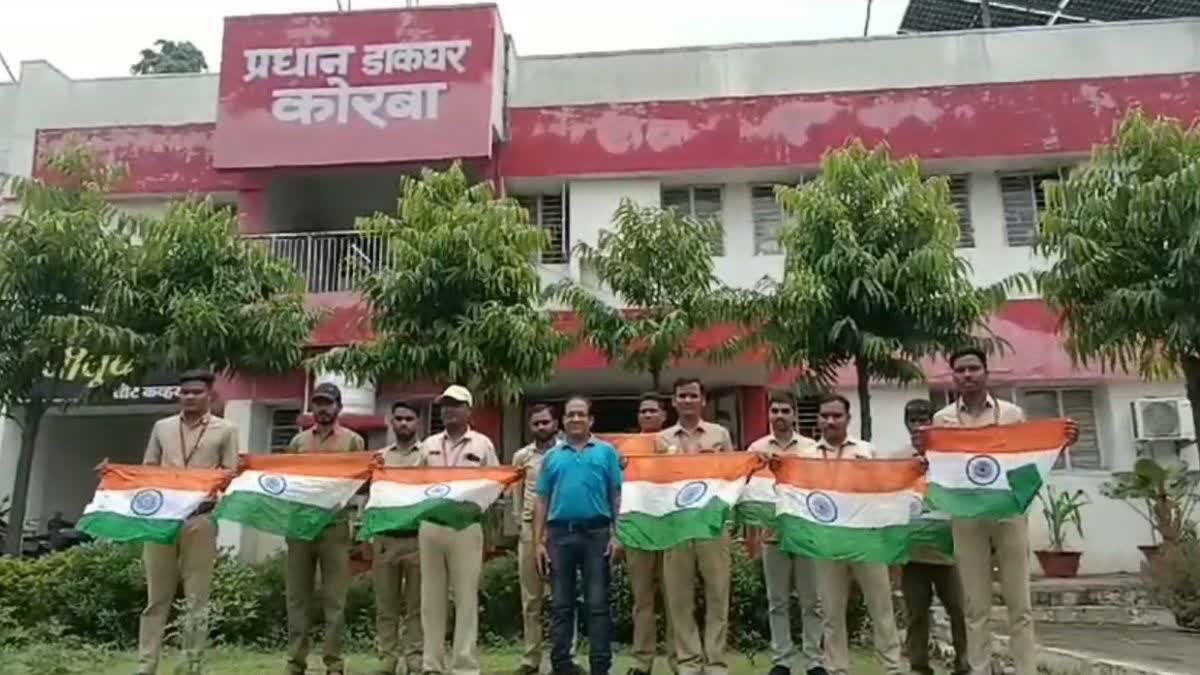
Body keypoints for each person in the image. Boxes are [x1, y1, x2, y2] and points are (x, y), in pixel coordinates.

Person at [921, 347, 1078, 675]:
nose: (967, 375)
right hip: (967, 517)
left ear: (986, 372)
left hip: (1007, 515)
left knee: (1019, 605)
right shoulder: (943, 420)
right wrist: (924, 449)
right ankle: (980, 669)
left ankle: (1025, 670)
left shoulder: (1011, 414)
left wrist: (1060, 442)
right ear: (953, 376)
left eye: (973, 369)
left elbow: (1026, 460)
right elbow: (939, 469)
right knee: (975, 606)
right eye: (960, 370)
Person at [138, 370, 240, 675]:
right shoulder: (162, 427)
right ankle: (146, 665)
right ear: (178, 395)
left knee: (197, 597)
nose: (190, 397)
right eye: (184, 392)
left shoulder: (226, 430)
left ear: (210, 395)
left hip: (200, 518)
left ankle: (191, 665)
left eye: (196, 392)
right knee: (156, 597)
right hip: (162, 518)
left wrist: (202, 486)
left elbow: (230, 472)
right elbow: (148, 468)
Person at [803, 394, 904, 675]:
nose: (830, 421)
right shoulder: (807, 457)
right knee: (832, 614)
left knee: (881, 609)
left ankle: (892, 668)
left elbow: (884, 491)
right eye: (824, 416)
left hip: (866, 540)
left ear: (848, 419)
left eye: (836, 415)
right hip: (827, 543)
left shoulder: (866, 451)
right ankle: (837, 669)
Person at [534, 396, 623, 675]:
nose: (575, 419)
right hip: (560, 535)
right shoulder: (552, 457)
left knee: (597, 604)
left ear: (591, 420)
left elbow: (616, 495)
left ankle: (600, 666)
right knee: (561, 605)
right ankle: (561, 665)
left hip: (597, 534)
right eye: (570, 415)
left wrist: (618, 535)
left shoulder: (607, 453)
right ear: (563, 421)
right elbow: (541, 499)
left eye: (580, 414)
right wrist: (538, 541)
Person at [284, 382, 366, 675]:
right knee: (297, 597)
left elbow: (361, 482)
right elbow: (287, 482)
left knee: (335, 599)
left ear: (338, 407)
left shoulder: (353, 441)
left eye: (328, 403)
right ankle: (295, 662)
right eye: (317, 403)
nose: (322, 408)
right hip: (301, 526)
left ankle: (334, 663)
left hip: (335, 526)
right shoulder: (298, 443)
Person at [418, 385, 500, 675]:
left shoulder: (482, 445)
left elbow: (495, 485)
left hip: (466, 526)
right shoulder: (427, 445)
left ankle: (464, 665)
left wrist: (479, 513)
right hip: (431, 525)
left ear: (469, 410)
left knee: (466, 598)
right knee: (431, 599)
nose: (448, 411)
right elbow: (414, 484)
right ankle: (431, 664)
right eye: (444, 406)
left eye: (455, 405)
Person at [658, 378, 734, 675]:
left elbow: (731, 474)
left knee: (718, 595)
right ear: (674, 402)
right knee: (679, 598)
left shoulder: (719, 434)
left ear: (703, 400)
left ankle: (715, 663)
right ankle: (689, 662)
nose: (687, 400)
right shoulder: (662, 439)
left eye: (693, 395)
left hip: (711, 524)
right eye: (682, 396)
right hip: (675, 526)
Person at [747, 392, 826, 675]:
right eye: (775, 411)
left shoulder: (811, 449)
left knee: (812, 601)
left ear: (794, 415)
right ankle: (782, 660)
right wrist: (753, 537)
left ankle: (815, 661)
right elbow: (751, 495)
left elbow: (820, 488)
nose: (779, 416)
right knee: (777, 600)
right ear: (769, 415)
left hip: (806, 534)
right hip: (773, 534)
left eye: (785, 411)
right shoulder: (756, 449)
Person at [899, 399, 967, 675]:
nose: (918, 425)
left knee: (960, 611)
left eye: (924, 419)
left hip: (950, 552)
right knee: (916, 613)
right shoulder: (897, 460)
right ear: (906, 424)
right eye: (913, 420)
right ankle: (919, 666)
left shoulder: (952, 458)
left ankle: (966, 663)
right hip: (912, 554)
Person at [372, 401, 425, 675]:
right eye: (399, 419)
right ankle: (387, 658)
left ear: (418, 421)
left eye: (409, 418)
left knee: (417, 605)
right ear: (391, 422)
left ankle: (415, 657)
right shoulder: (379, 459)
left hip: (417, 538)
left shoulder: (428, 456)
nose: (404, 423)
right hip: (385, 539)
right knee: (386, 604)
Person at [625, 392, 675, 675]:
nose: (647, 415)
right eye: (643, 411)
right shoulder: (627, 448)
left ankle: (678, 660)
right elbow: (618, 489)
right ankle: (642, 662)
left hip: (670, 531)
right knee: (642, 600)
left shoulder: (675, 444)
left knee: (675, 601)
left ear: (663, 415)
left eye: (652, 411)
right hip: (638, 530)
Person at [512, 404, 563, 675]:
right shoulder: (522, 456)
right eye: (536, 424)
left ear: (556, 423)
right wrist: (520, 525)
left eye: (546, 422)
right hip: (531, 530)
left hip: (561, 527)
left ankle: (563, 656)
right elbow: (516, 494)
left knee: (562, 597)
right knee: (531, 599)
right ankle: (531, 657)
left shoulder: (568, 452)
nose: (541, 428)